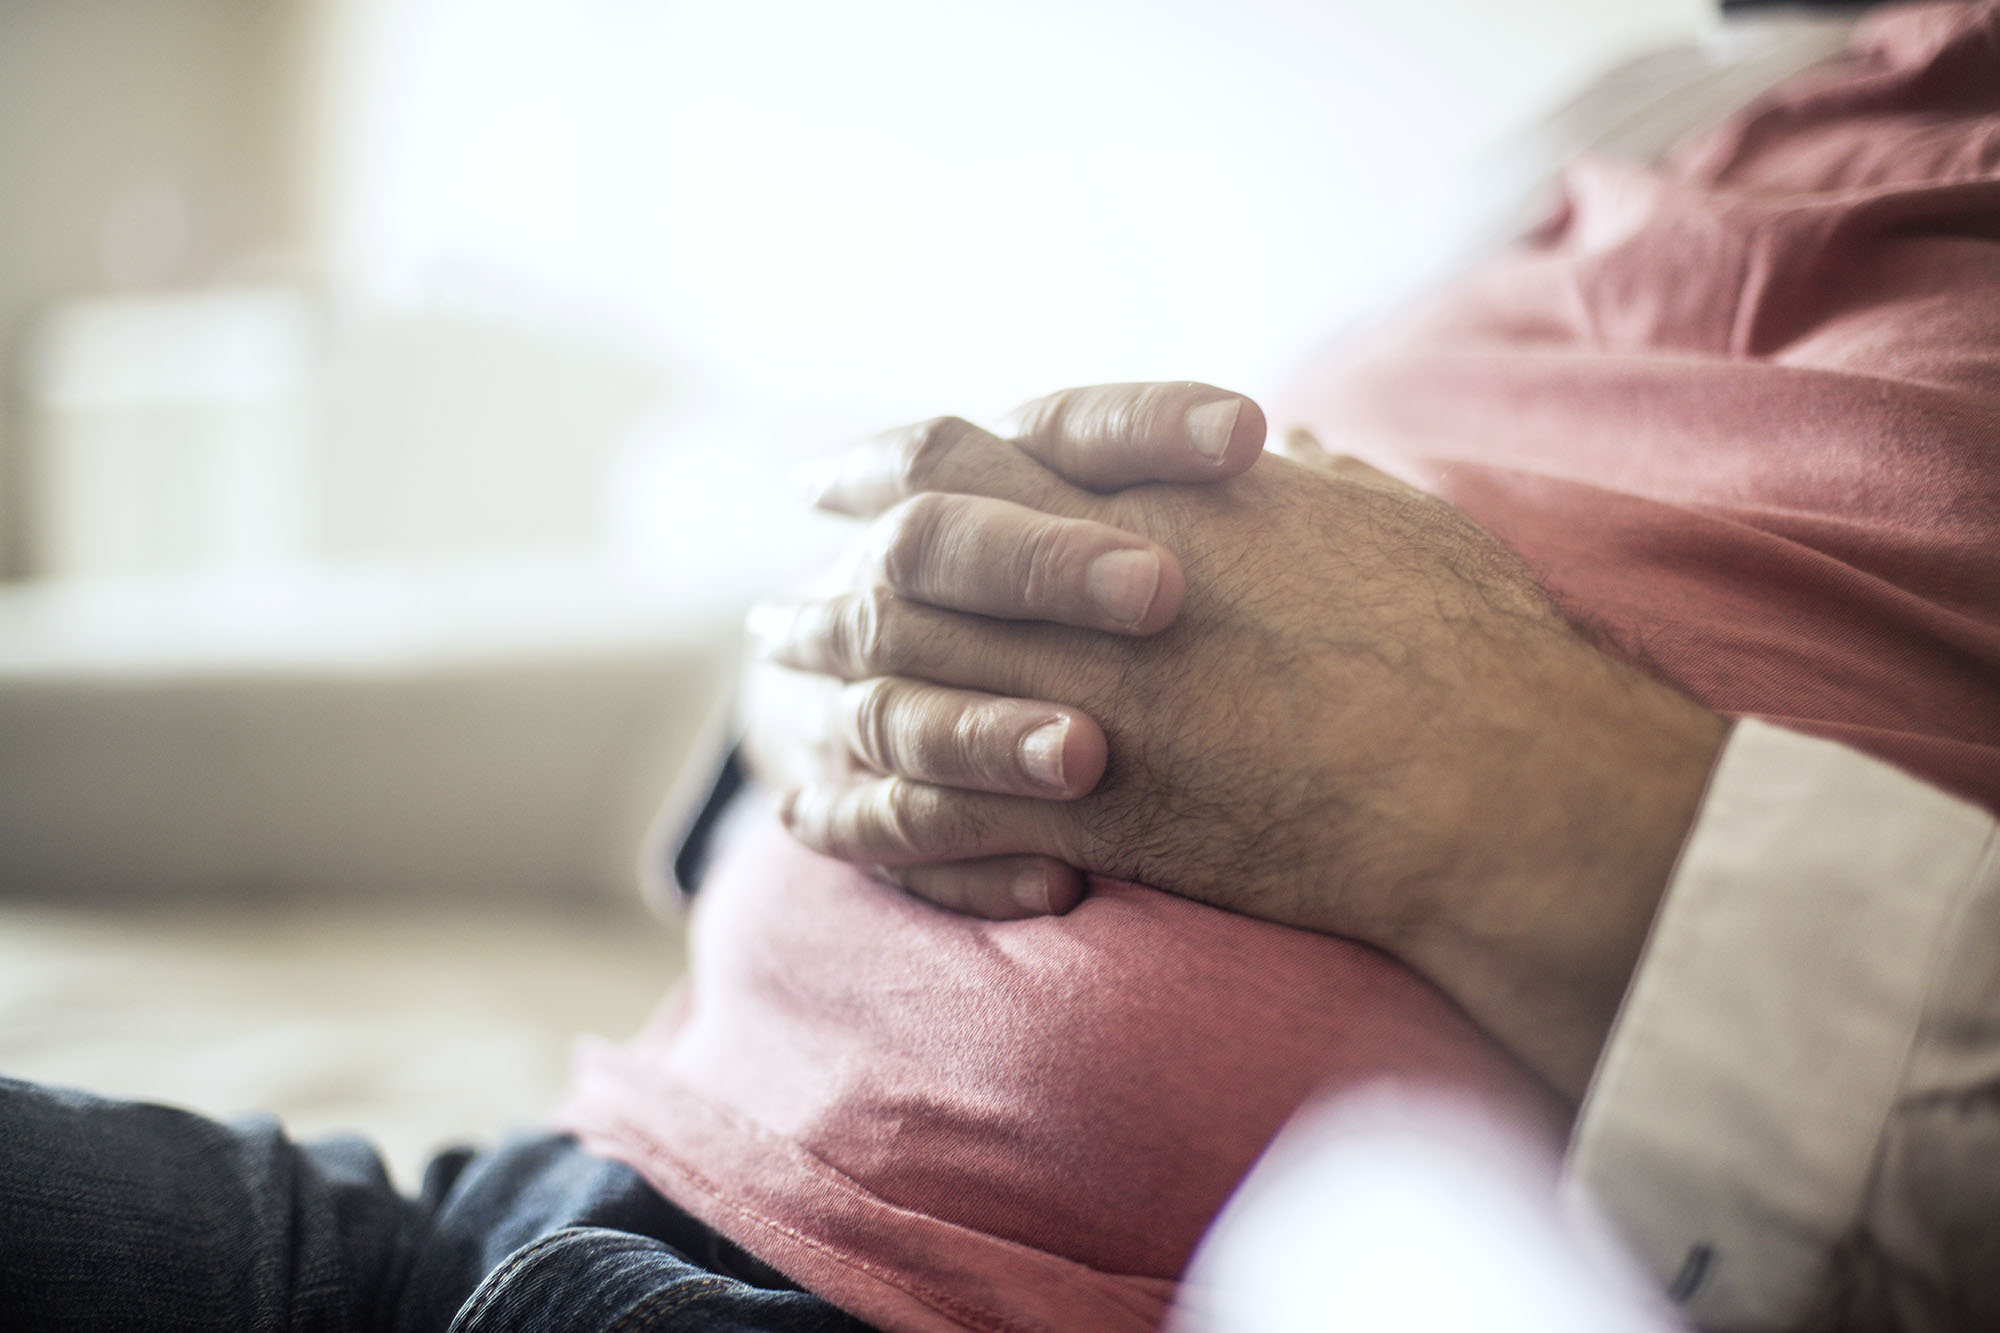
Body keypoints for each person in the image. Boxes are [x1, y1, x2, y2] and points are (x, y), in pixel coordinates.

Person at [4, 3, 1997, 1332]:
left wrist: (1483, 774)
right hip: (513, 1204)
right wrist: (875, 670)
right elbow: (1049, 638)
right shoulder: (1636, 119)